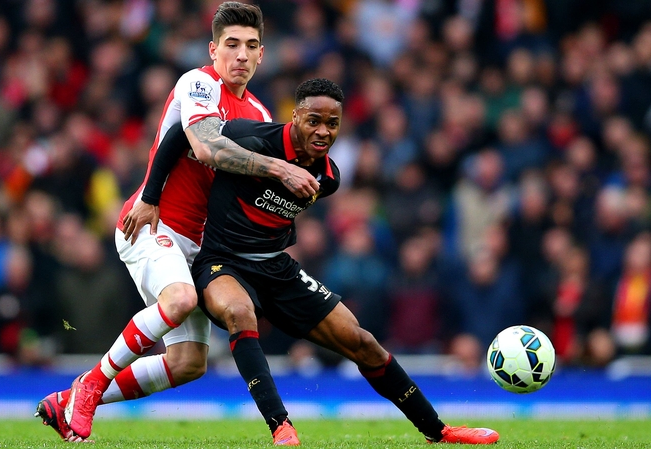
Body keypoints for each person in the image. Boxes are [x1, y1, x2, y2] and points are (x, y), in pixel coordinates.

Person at [144, 78, 500, 445]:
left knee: (362, 342)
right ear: (295, 116)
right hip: (220, 261)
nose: (323, 130)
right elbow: (182, 135)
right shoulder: (253, 138)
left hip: (276, 266)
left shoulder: (328, 178)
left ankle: (439, 431)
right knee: (240, 312)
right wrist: (150, 197)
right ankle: (281, 427)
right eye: (313, 120)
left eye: (332, 123)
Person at [34, 2, 319, 442]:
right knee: (182, 298)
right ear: (213, 50)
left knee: (189, 363)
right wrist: (278, 169)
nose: (241, 55)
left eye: (251, 46)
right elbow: (204, 148)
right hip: (153, 224)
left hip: (202, 247)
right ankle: (91, 383)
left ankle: (69, 398)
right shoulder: (198, 83)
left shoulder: (261, 116)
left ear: (262, 55)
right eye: (231, 45)